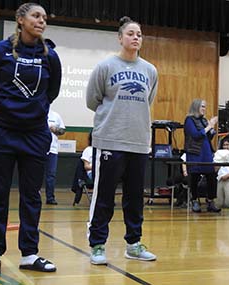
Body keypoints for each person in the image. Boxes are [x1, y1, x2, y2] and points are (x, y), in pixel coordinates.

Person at [0, 2, 61, 274]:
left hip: (35, 135)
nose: (42, 21)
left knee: (31, 196)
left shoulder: (51, 56)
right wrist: (6, 110)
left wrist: (33, 112)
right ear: (20, 19)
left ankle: (29, 253)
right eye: (36, 16)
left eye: (44, 18)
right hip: (2, 133)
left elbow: (52, 92)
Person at [86, 16, 157, 265]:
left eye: (139, 33)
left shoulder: (150, 70)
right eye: (130, 33)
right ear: (120, 38)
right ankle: (97, 245)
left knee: (134, 197)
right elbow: (92, 101)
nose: (135, 37)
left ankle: (134, 244)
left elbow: (147, 102)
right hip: (110, 140)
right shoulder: (106, 66)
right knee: (104, 196)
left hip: (138, 142)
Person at [183, 99, 221, 213]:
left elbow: (207, 136)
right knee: (194, 176)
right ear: (196, 107)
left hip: (206, 152)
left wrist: (212, 129)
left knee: (211, 176)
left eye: (205, 106)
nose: (204, 109)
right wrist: (209, 126)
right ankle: (194, 200)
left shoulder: (204, 120)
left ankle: (210, 200)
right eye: (202, 106)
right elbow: (195, 135)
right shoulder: (189, 120)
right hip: (195, 152)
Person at [44, 109, 65, 205]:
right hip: (38, 149)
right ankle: (33, 196)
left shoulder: (55, 115)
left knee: (51, 175)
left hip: (52, 149)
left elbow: (62, 130)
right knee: (35, 174)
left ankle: (50, 198)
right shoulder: (37, 112)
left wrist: (55, 130)